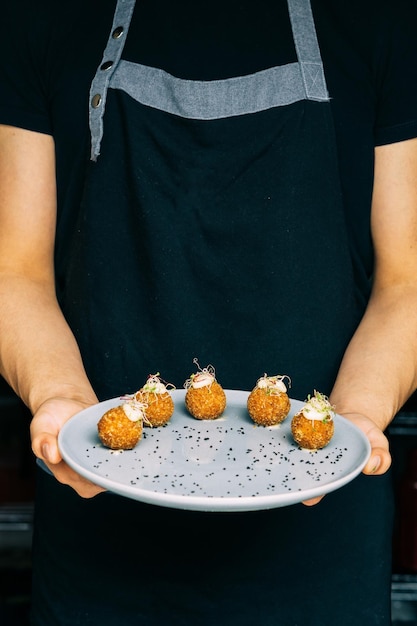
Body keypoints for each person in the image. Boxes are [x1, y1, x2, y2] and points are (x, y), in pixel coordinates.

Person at [0, 0, 417, 623]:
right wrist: (58, 396)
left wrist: (355, 419)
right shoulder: (42, 16)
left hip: (322, 544)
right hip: (97, 536)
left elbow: (407, 283)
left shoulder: (385, 20)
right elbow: (14, 272)